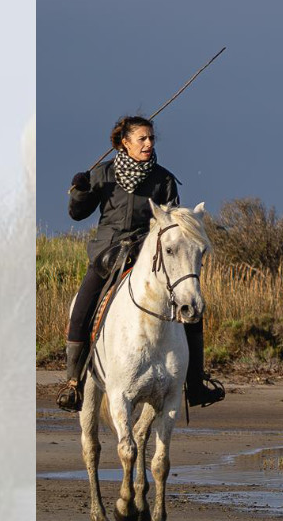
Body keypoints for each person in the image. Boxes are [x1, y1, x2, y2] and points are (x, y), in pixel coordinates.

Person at [58, 115, 224, 411]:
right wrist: (80, 189)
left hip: (149, 253)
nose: (148, 144)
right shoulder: (103, 175)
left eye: (151, 139)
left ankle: (195, 383)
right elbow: (77, 214)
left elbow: (173, 225)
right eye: (142, 139)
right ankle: (73, 381)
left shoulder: (164, 179)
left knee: (191, 306)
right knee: (84, 301)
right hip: (107, 254)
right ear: (125, 143)